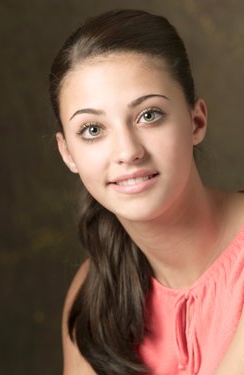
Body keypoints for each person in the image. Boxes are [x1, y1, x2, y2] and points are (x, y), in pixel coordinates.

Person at [48, 9, 244, 375]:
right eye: (92, 130)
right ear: (67, 153)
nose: (127, 152)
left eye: (149, 115)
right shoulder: (93, 293)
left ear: (196, 122)